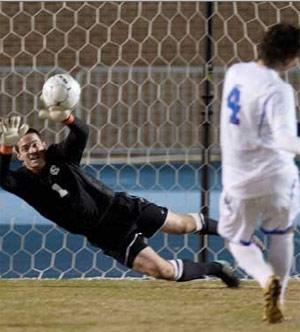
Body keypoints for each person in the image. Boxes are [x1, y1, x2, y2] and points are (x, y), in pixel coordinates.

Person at [0, 108, 239, 288]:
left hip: (122, 207)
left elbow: (81, 133)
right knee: (163, 271)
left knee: (183, 225)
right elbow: (2, 178)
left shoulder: (59, 156)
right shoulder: (22, 183)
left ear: (43, 144)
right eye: (25, 148)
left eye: (35, 144)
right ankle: (216, 268)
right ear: (19, 156)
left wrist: (67, 117)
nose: (32, 150)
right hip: (107, 236)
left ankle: (236, 233)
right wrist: (5, 148)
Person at [219, 22, 300, 323]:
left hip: (240, 180)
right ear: (292, 58)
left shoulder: (235, 73)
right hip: (279, 178)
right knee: (282, 233)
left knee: (236, 239)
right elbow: (283, 139)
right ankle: (278, 299)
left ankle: (266, 279)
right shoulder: (280, 90)